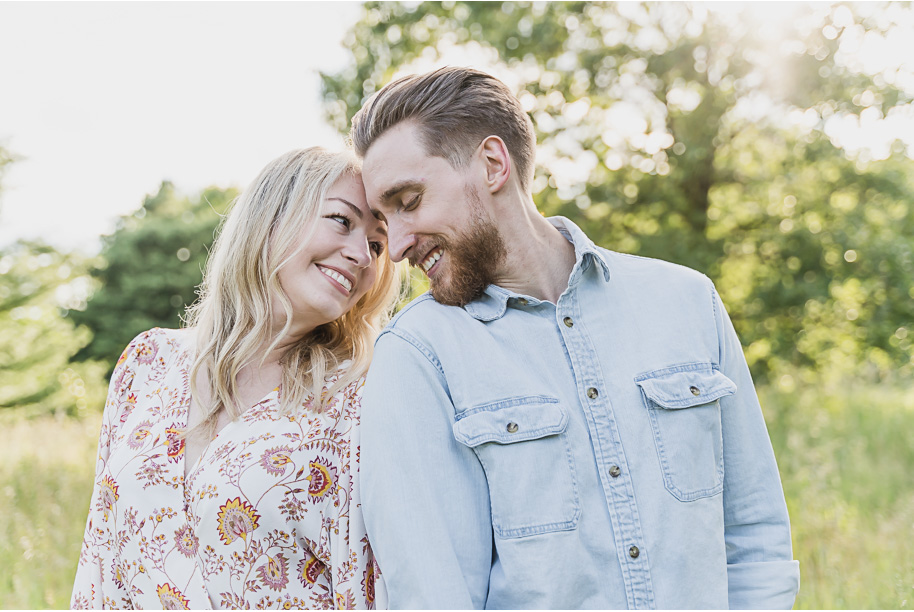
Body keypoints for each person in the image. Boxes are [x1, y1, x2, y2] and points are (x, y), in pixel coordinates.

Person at [352, 67, 800, 609]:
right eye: (383, 217)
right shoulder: (418, 354)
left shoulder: (687, 301)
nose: (395, 246)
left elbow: (754, 537)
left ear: (493, 164)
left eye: (408, 201)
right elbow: (434, 593)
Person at [71, 148, 400, 610]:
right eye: (342, 221)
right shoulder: (147, 363)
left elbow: (374, 583)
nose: (361, 254)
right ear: (270, 217)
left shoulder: (362, 398)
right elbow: (98, 558)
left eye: (378, 245)